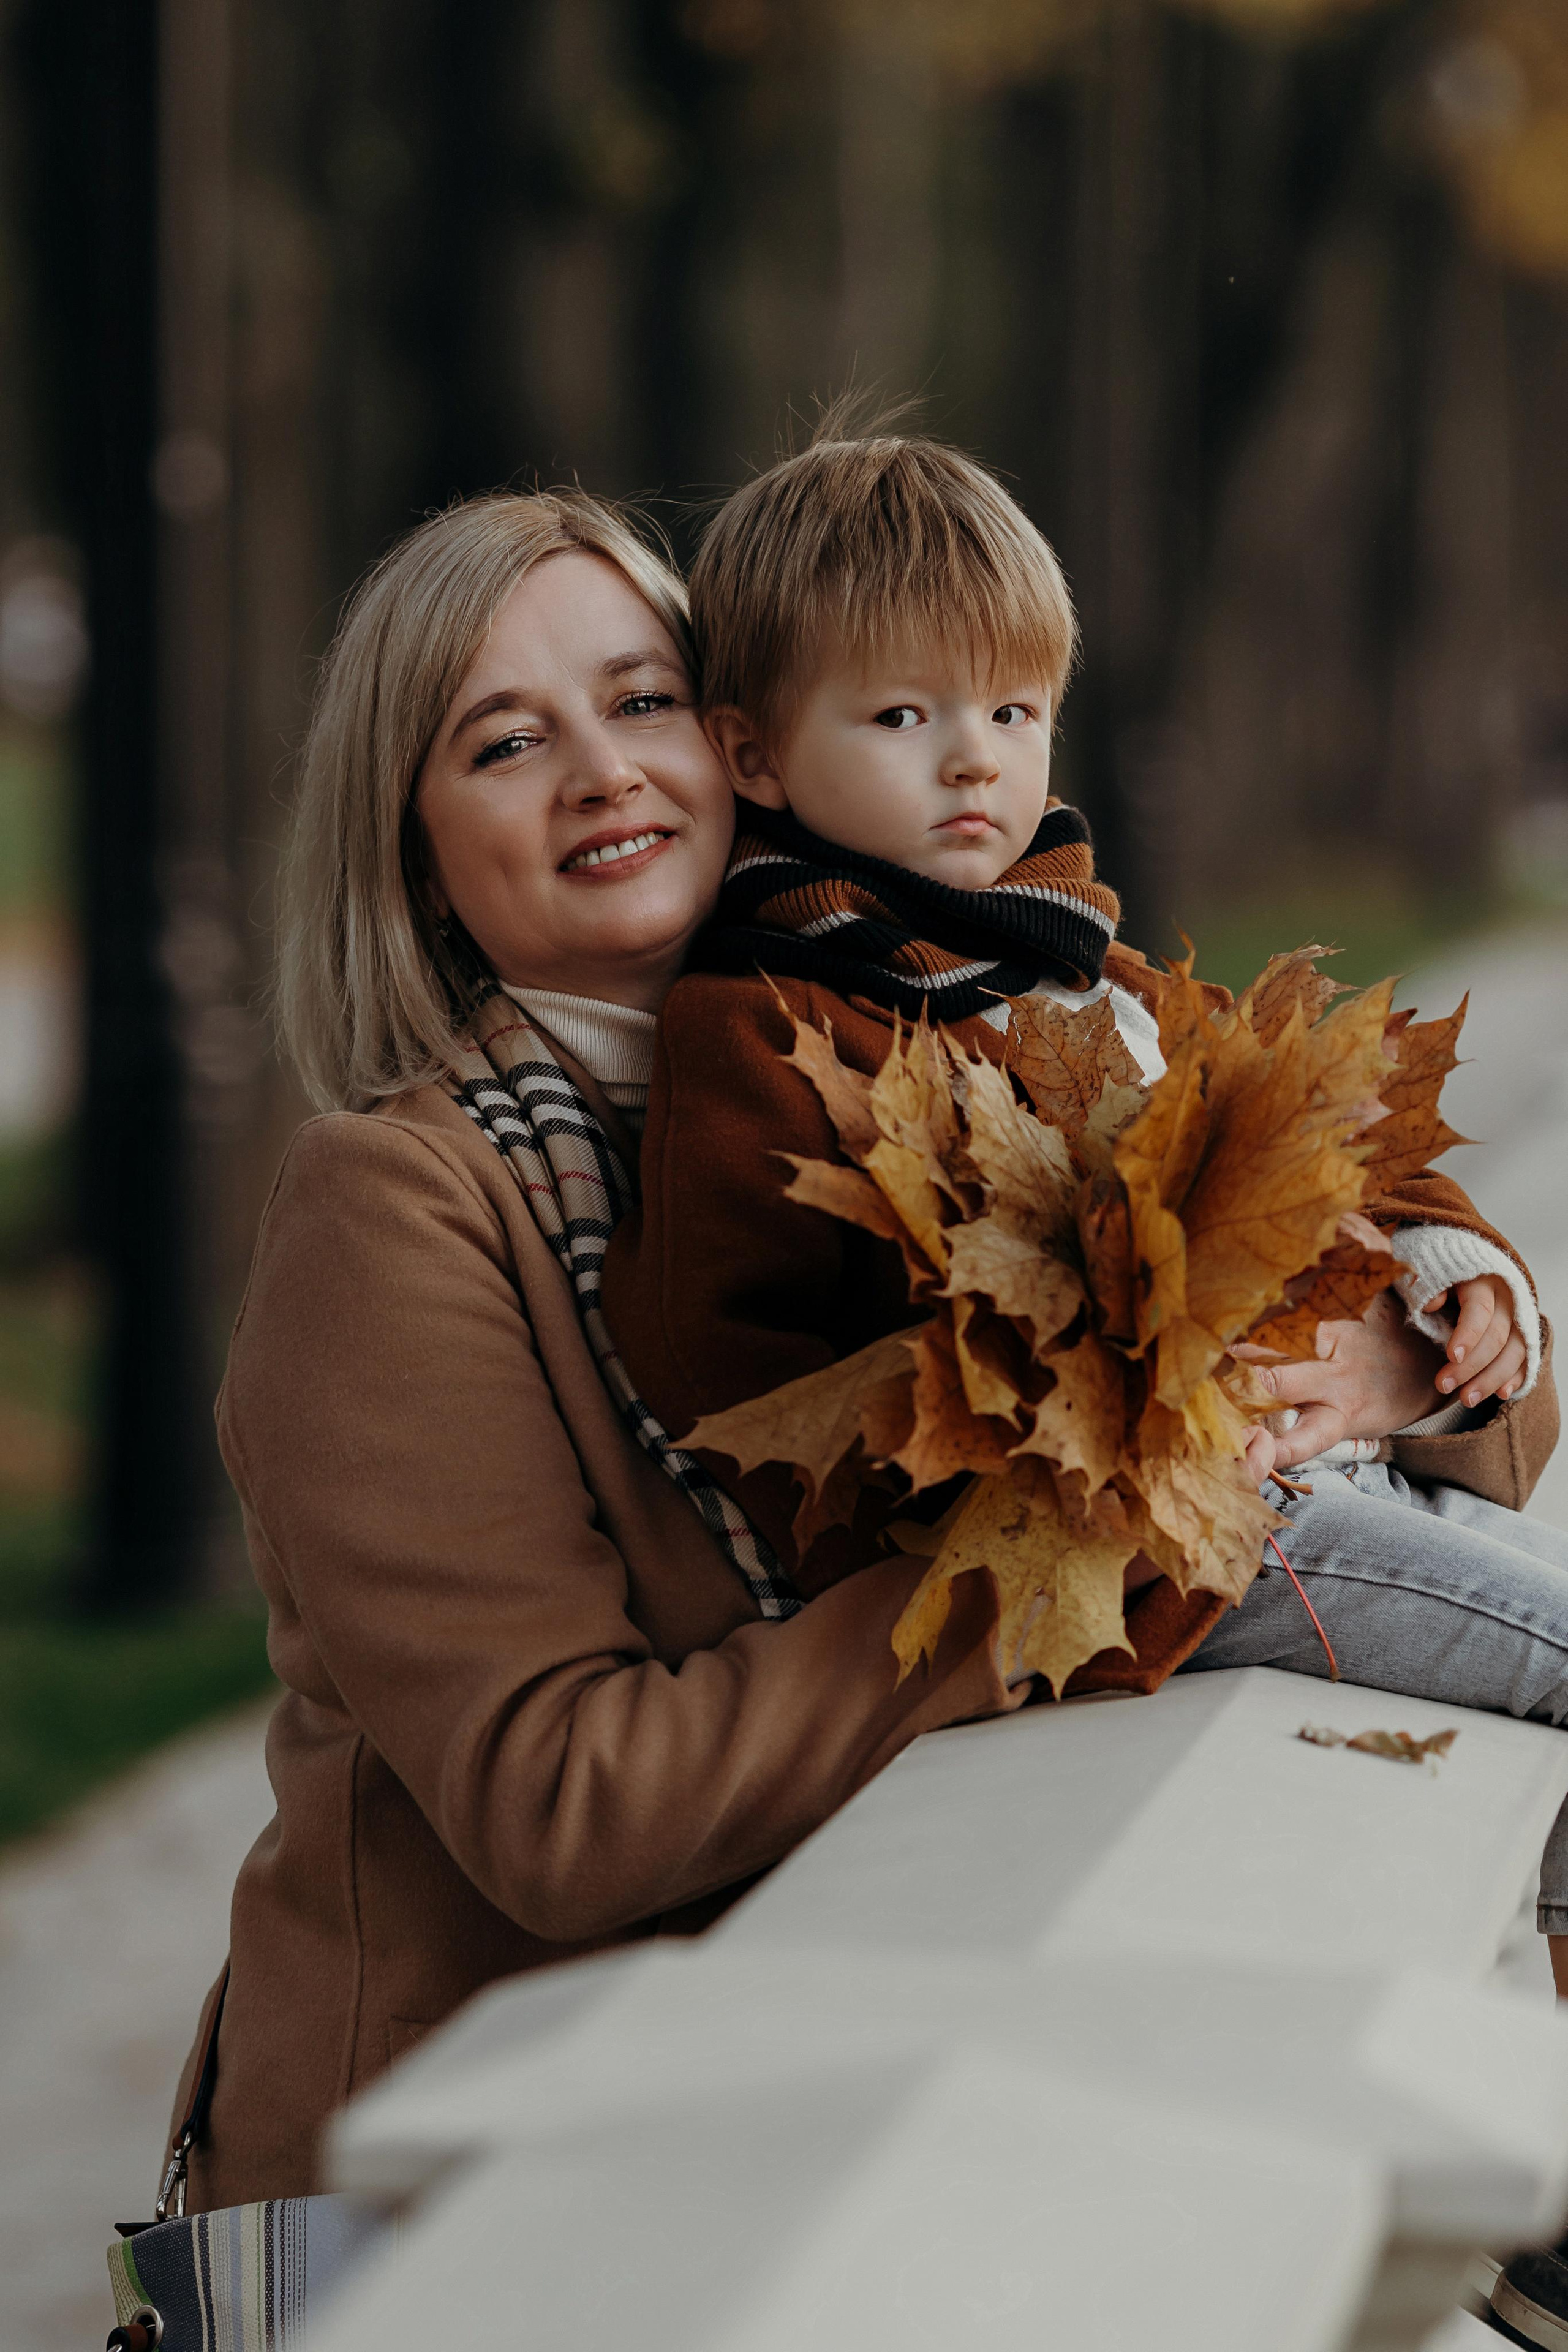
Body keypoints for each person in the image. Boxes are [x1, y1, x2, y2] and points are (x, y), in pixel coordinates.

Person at [168, 473, 1552, 2216]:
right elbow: (562, 1801)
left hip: (869, 2076)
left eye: (639, 699)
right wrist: (1092, 1540)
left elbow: (1398, 1321)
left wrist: (1394, 1360)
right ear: (415, 847)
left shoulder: (934, 993)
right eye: (507, 742)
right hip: (496, 2196)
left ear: (734, 736)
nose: (603, 769)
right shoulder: (395, 1212)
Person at [597, 424, 1568, 1926]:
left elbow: (1333, 1153)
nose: (974, 755)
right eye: (904, 713)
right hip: (1176, 1548)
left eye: (1010, 705)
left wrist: (1451, 1283)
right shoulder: (766, 1024)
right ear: (752, 753)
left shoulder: (1086, 971)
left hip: (1335, 1477)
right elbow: (747, 1390)